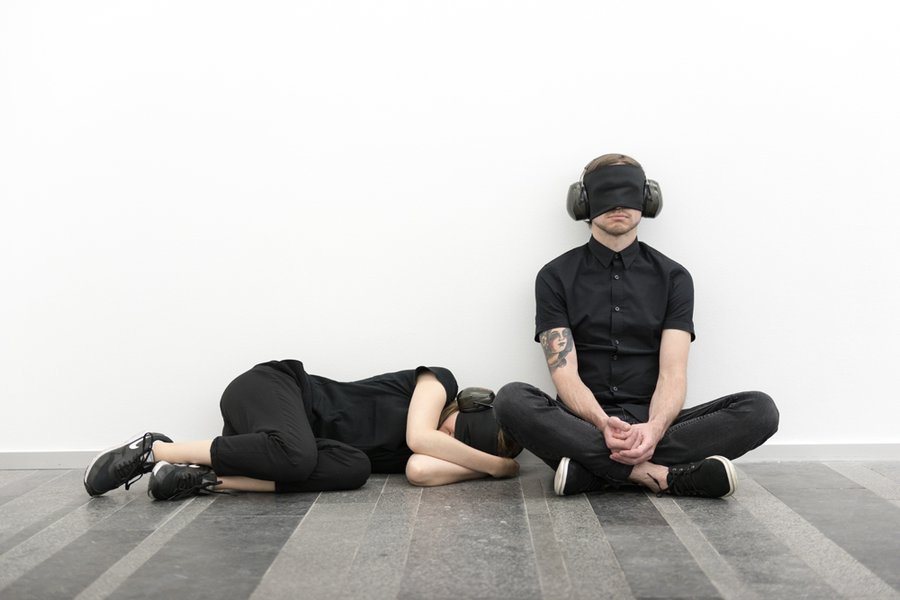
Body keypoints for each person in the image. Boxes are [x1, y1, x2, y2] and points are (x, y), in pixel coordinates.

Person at [493, 153, 779, 498]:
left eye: (628, 193)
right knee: (511, 400)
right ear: (583, 202)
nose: (618, 205)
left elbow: (673, 374)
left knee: (760, 410)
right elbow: (564, 374)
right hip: (581, 424)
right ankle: (661, 475)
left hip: (653, 422)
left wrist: (654, 429)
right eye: (606, 193)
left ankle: (594, 473)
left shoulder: (674, 278)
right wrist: (602, 424)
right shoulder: (554, 276)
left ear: (647, 199)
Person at [84, 360, 522, 500]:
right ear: (468, 403)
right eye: (457, 431)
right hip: (273, 389)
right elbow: (419, 440)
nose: (448, 443)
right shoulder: (438, 381)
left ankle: (204, 479)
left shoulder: (437, 456)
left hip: (274, 449)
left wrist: (482, 466)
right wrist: (499, 469)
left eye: (458, 446)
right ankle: (154, 451)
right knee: (297, 454)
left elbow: (419, 469)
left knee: (354, 469)